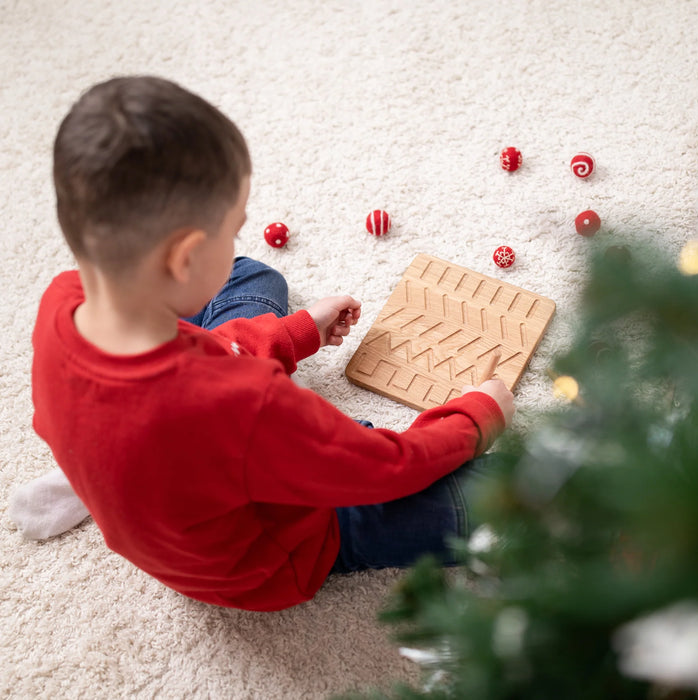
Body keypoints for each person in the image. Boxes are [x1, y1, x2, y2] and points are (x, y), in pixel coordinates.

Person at [17, 76, 514, 612]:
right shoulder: (244, 403)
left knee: (252, 281)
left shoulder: (62, 301)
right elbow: (381, 470)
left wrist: (294, 333)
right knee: (518, 490)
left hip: (162, 471)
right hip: (276, 554)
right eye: (232, 231)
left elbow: (205, 351)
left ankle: (108, 463)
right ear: (183, 257)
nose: (236, 244)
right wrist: (475, 417)